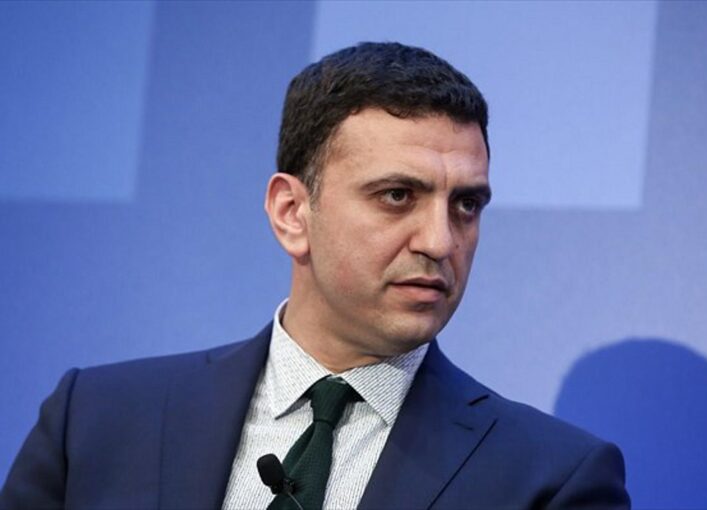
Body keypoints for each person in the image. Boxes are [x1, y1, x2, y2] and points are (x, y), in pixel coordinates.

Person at [0, 42, 629, 509]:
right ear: (291, 213)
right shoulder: (97, 421)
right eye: (397, 196)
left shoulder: (549, 479)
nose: (441, 242)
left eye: (466, 204)